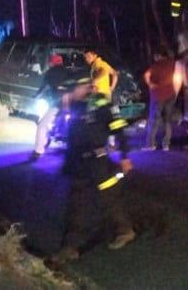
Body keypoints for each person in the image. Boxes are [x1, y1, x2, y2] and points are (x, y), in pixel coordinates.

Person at [49, 70, 135, 266]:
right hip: (79, 164)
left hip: (99, 162)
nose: (72, 92)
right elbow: (71, 135)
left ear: (85, 86)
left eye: (75, 88)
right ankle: (69, 248)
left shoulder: (101, 104)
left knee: (110, 199)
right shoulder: (73, 104)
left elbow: (119, 129)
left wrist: (125, 156)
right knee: (77, 204)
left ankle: (125, 231)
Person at [31, 54, 69, 160]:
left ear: (52, 63)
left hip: (58, 105)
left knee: (42, 125)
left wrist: (36, 95)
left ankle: (38, 151)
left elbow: (43, 87)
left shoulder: (50, 72)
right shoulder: (69, 72)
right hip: (71, 104)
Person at [143, 46, 180, 151]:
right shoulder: (172, 63)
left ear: (158, 56)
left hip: (158, 95)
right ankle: (166, 144)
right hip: (170, 95)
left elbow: (146, 75)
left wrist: (150, 84)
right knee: (167, 119)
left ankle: (151, 144)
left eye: (155, 56)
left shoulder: (156, 65)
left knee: (154, 119)